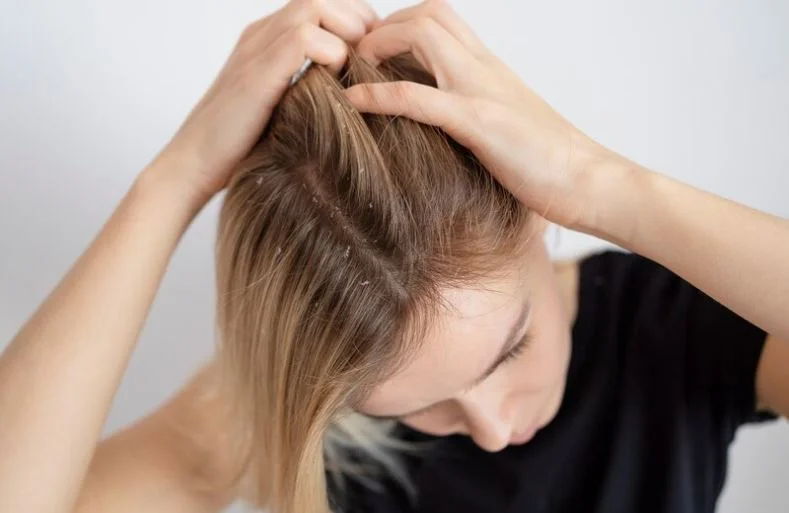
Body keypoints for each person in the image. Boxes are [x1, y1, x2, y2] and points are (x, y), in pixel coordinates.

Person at [0, 1, 787, 513]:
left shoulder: (672, 328)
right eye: (414, 405)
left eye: (510, 347)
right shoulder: (291, 410)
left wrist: (599, 181)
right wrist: (172, 181)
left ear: (537, 216)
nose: (489, 427)